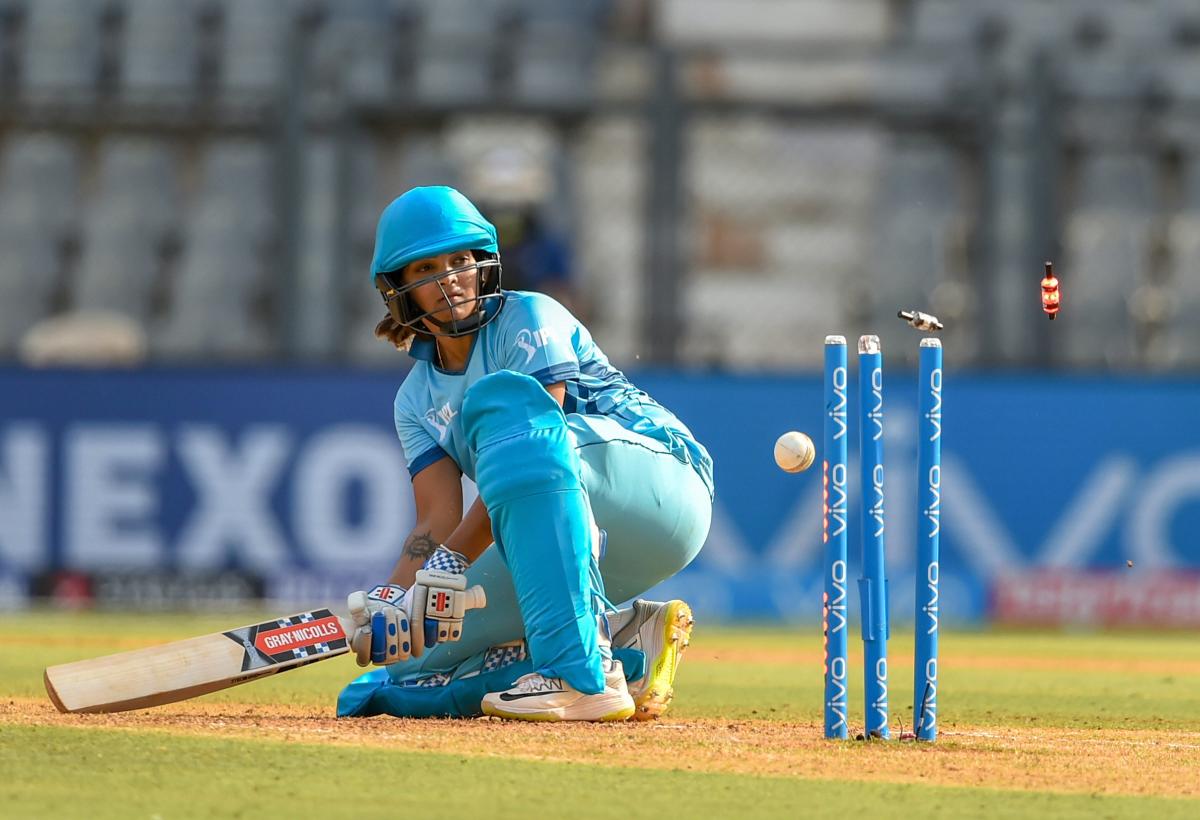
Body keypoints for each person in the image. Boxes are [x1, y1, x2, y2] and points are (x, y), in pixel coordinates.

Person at [336, 186, 713, 722]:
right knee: (411, 662)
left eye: (460, 260)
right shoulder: (414, 401)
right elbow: (434, 522)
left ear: (484, 264)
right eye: (426, 268)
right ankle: (627, 642)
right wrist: (394, 599)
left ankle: (579, 677)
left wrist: (448, 566)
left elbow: (537, 446)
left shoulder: (531, 315)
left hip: (658, 484)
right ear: (399, 288)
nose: (449, 279)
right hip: (555, 531)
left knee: (507, 408)